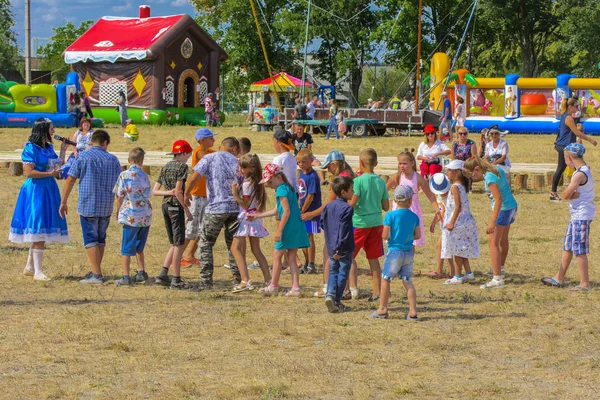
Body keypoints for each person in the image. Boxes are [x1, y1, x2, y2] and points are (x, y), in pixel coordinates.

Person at [10, 118, 69, 281]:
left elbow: (55, 167)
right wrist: (49, 174)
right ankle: (38, 272)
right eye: (51, 128)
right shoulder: (30, 148)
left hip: (48, 188)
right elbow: (29, 172)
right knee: (38, 226)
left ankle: (30, 267)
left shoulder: (49, 147)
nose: (54, 131)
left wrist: (63, 151)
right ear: (43, 130)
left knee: (41, 227)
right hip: (35, 190)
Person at [60, 130, 122, 284]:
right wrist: (119, 207)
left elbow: (70, 179)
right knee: (100, 238)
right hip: (106, 206)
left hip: (88, 204)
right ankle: (96, 270)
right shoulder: (113, 159)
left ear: (92, 141)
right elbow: (120, 186)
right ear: (106, 143)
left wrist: (63, 201)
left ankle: (96, 274)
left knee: (90, 239)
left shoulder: (83, 157)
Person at [184, 137, 242, 289]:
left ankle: (205, 281)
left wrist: (186, 193)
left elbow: (194, 177)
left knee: (206, 244)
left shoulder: (210, 158)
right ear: (234, 148)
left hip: (215, 208)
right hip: (235, 208)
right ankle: (237, 277)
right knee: (233, 244)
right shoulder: (238, 162)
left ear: (222, 146)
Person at [304, 150, 359, 299]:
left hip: (338, 220)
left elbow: (329, 204)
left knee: (328, 252)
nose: (328, 170)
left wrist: (309, 214)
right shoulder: (350, 175)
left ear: (335, 164)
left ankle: (328, 286)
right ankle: (350, 288)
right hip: (350, 219)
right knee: (348, 256)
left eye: (329, 166)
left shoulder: (340, 180)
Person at [249, 164, 310, 297]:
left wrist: (279, 231)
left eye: (270, 181)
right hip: (296, 225)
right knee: (291, 257)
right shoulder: (287, 188)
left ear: (278, 177)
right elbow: (278, 210)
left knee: (277, 255)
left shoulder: (281, 190)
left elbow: (286, 212)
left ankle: (273, 286)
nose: (269, 185)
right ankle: (295, 288)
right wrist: (258, 215)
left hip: (288, 226)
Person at [542, 143, 594, 291]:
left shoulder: (579, 174)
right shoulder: (583, 170)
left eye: (565, 157)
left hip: (581, 215)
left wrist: (570, 193)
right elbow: (570, 194)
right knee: (568, 246)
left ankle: (585, 283)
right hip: (576, 214)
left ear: (569, 158)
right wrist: (572, 194)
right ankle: (559, 277)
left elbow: (564, 195)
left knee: (579, 249)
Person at [463, 157, 518, 289]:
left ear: (477, 169)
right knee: (503, 240)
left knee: (492, 242)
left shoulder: (489, 178)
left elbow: (498, 199)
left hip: (503, 209)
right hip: (512, 206)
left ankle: (497, 278)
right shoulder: (495, 169)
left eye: (472, 174)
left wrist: (492, 222)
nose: (473, 177)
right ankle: (501, 268)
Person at [371, 185, 420, 320]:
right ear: (410, 200)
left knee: (386, 279)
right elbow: (417, 235)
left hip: (394, 251)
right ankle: (413, 311)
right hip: (408, 251)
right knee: (407, 281)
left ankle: (382, 308)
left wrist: (391, 237)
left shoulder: (390, 216)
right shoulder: (414, 217)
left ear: (395, 200)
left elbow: (385, 235)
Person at [350, 148, 390, 301]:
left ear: (360, 163)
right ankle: (377, 292)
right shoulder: (381, 181)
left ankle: (351, 287)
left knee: (349, 256)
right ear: (376, 164)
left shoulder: (357, 181)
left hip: (359, 223)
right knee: (373, 259)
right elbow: (386, 206)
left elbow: (352, 203)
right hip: (376, 223)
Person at [153, 140, 193, 289]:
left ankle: (163, 273)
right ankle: (176, 279)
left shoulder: (165, 167)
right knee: (179, 244)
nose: (188, 157)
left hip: (165, 205)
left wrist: (167, 192)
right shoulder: (182, 167)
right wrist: (187, 210)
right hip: (176, 207)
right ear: (182, 153)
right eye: (188, 154)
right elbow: (178, 191)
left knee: (174, 243)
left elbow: (155, 191)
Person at [230, 153, 271, 292]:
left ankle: (245, 280)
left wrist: (235, 194)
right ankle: (268, 280)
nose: (241, 170)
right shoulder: (257, 183)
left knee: (235, 248)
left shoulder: (247, 184)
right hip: (255, 217)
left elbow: (246, 205)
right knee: (256, 250)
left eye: (243, 167)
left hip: (247, 218)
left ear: (251, 169)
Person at [386, 149, 441, 249]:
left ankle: (408, 261)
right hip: (399, 210)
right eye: (400, 163)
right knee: (397, 236)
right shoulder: (396, 176)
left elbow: (429, 195)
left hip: (412, 210)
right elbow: (384, 191)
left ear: (412, 163)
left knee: (411, 241)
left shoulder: (418, 178)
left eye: (404, 163)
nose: (402, 166)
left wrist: (437, 208)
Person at [113, 147, 152, 286]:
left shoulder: (124, 175)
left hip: (130, 215)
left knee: (126, 247)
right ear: (142, 161)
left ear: (129, 160)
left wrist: (118, 211)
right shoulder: (145, 176)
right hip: (145, 216)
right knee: (139, 247)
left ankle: (125, 275)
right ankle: (141, 272)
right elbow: (148, 195)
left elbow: (120, 195)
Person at [550, 98, 598, 202]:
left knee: (570, 168)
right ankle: (553, 193)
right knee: (562, 169)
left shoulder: (565, 116)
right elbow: (576, 132)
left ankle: (575, 190)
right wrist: (590, 139)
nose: (578, 108)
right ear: (570, 107)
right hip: (565, 146)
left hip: (564, 145)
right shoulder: (568, 118)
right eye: (576, 106)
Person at [441, 160, 478, 285]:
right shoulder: (461, 186)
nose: (447, 172)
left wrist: (451, 223)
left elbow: (458, 206)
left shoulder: (455, 187)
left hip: (459, 223)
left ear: (457, 172)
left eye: (450, 170)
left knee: (457, 250)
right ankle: (469, 273)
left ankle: (457, 276)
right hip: (465, 221)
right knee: (462, 249)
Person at [321, 176, 354, 313]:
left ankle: (329, 294)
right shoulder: (347, 208)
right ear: (343, 192)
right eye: (351, 190)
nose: (353, 192)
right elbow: (344, 230)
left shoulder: (328, 206)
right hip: (343, 247)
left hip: (330, 244)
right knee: (343, 273)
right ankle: (336, 300)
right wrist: (340, 249)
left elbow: (323, 223)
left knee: (333, 271)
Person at [296, 149, 322, 274]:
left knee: (309, 236)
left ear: (311, 161)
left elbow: (311, 196)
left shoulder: (313, 176)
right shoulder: (302, 174)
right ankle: (306, 262)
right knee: (303, 237)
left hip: (311, 211)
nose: (301, 164)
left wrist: (303, 209)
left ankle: (311, 263)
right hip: (302, 210)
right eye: (299, 162)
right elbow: (301, 193)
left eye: (303, 162)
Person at [427, 173, 455, 279]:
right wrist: (434, 222)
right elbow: (439, 210)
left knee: (443, 247)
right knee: (444, 247)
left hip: (449, 226)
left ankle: (447, 271)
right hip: (445, 226)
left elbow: (445, 211)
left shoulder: (451, 196)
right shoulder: (440, 196)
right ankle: (450, 271)